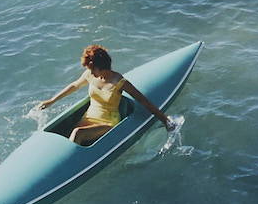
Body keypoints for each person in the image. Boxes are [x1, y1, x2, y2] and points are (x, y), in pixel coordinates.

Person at [33, 43, 179, 147]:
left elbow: (143, 101)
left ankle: (68, 166)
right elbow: (74, 86)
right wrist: (52, 101)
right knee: (65, 133)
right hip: (88, 118)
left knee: (77, 134)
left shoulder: (119, 82)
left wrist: (166, 121)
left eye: (91, 68)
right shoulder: (90, 75)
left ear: (99, 67)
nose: (89, 71)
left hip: (107, 123)